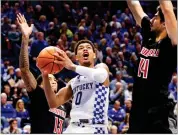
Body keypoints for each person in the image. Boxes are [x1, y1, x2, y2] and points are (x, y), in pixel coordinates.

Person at [126, 0, 177, 133]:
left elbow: (167, 9)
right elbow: (134, 5)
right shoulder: (149, 34)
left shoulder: (172, 42)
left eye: (156, 16)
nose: (152, 18)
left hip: (158, 109)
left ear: (165, 22)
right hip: (138, 107)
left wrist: (166, 11)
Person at [41, 39, 110, 133]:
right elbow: (54, 103)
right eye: (81, 48)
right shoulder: (73, 82)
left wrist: (72, 66)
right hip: (73, 127)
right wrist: (44, 75)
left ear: (94, 55)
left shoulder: (101, 68)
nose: (85, 49)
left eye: (88, 48)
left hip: (94, 127)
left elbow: (100, 76)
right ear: (76, 57)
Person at [17, 13, 70, 134]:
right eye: (49, 79)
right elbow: (24, 70)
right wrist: (25, 39)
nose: (53, 81)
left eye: (54, 80)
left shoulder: (64, 103)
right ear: (40, 85)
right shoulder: (39, 95)